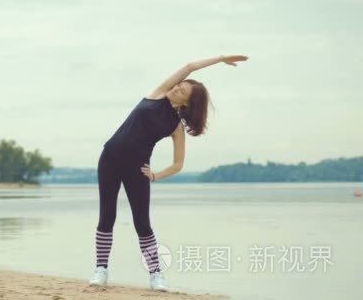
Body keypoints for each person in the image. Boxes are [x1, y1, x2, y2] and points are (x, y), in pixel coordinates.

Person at [88, 55, 249, 291]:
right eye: (178, 85)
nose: (176, 88)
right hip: (109, 160)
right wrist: (221, 59)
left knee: (142, 223)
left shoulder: (175, 127)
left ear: (187, 103)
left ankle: (156, 275)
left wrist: (154, 175)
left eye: (182, 90)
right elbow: (190, 66)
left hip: (137, 169)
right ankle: (100, 270)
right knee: (107, 217)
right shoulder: (158, 93)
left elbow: (178, 164)